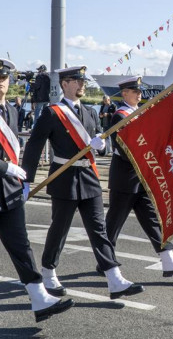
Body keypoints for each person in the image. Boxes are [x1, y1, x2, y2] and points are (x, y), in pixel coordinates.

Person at [0, 58, 73, 322]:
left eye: (4, 77)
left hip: (9, 192)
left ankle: (39, 296)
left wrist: (19, 178)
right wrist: (3, 167)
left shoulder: (13, 110)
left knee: (21, 245)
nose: (0, 82)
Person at [22, 65, 144, 300]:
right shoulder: (52, 112)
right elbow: (34, 147)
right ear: (65, 84)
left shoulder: (89, 111)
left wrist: (102, 147)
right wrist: (27, 179)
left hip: (89, 177)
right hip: (64, 177)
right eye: (77, 81)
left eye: (83, 82)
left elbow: (100, 143)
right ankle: (48, 270)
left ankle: (114, 277)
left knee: (99, 230)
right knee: (60, 228)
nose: (82, 85)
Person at [104, 76, 173, 277]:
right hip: (125, 178)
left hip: (142, 177)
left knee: (153, 220)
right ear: (125, 93)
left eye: (139, 91)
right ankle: (105, 262)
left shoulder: (140, 113)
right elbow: (122, 147)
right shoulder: (120, 116)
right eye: (135, 91)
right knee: (113, 224)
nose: (139, 94)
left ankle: (168, 260)